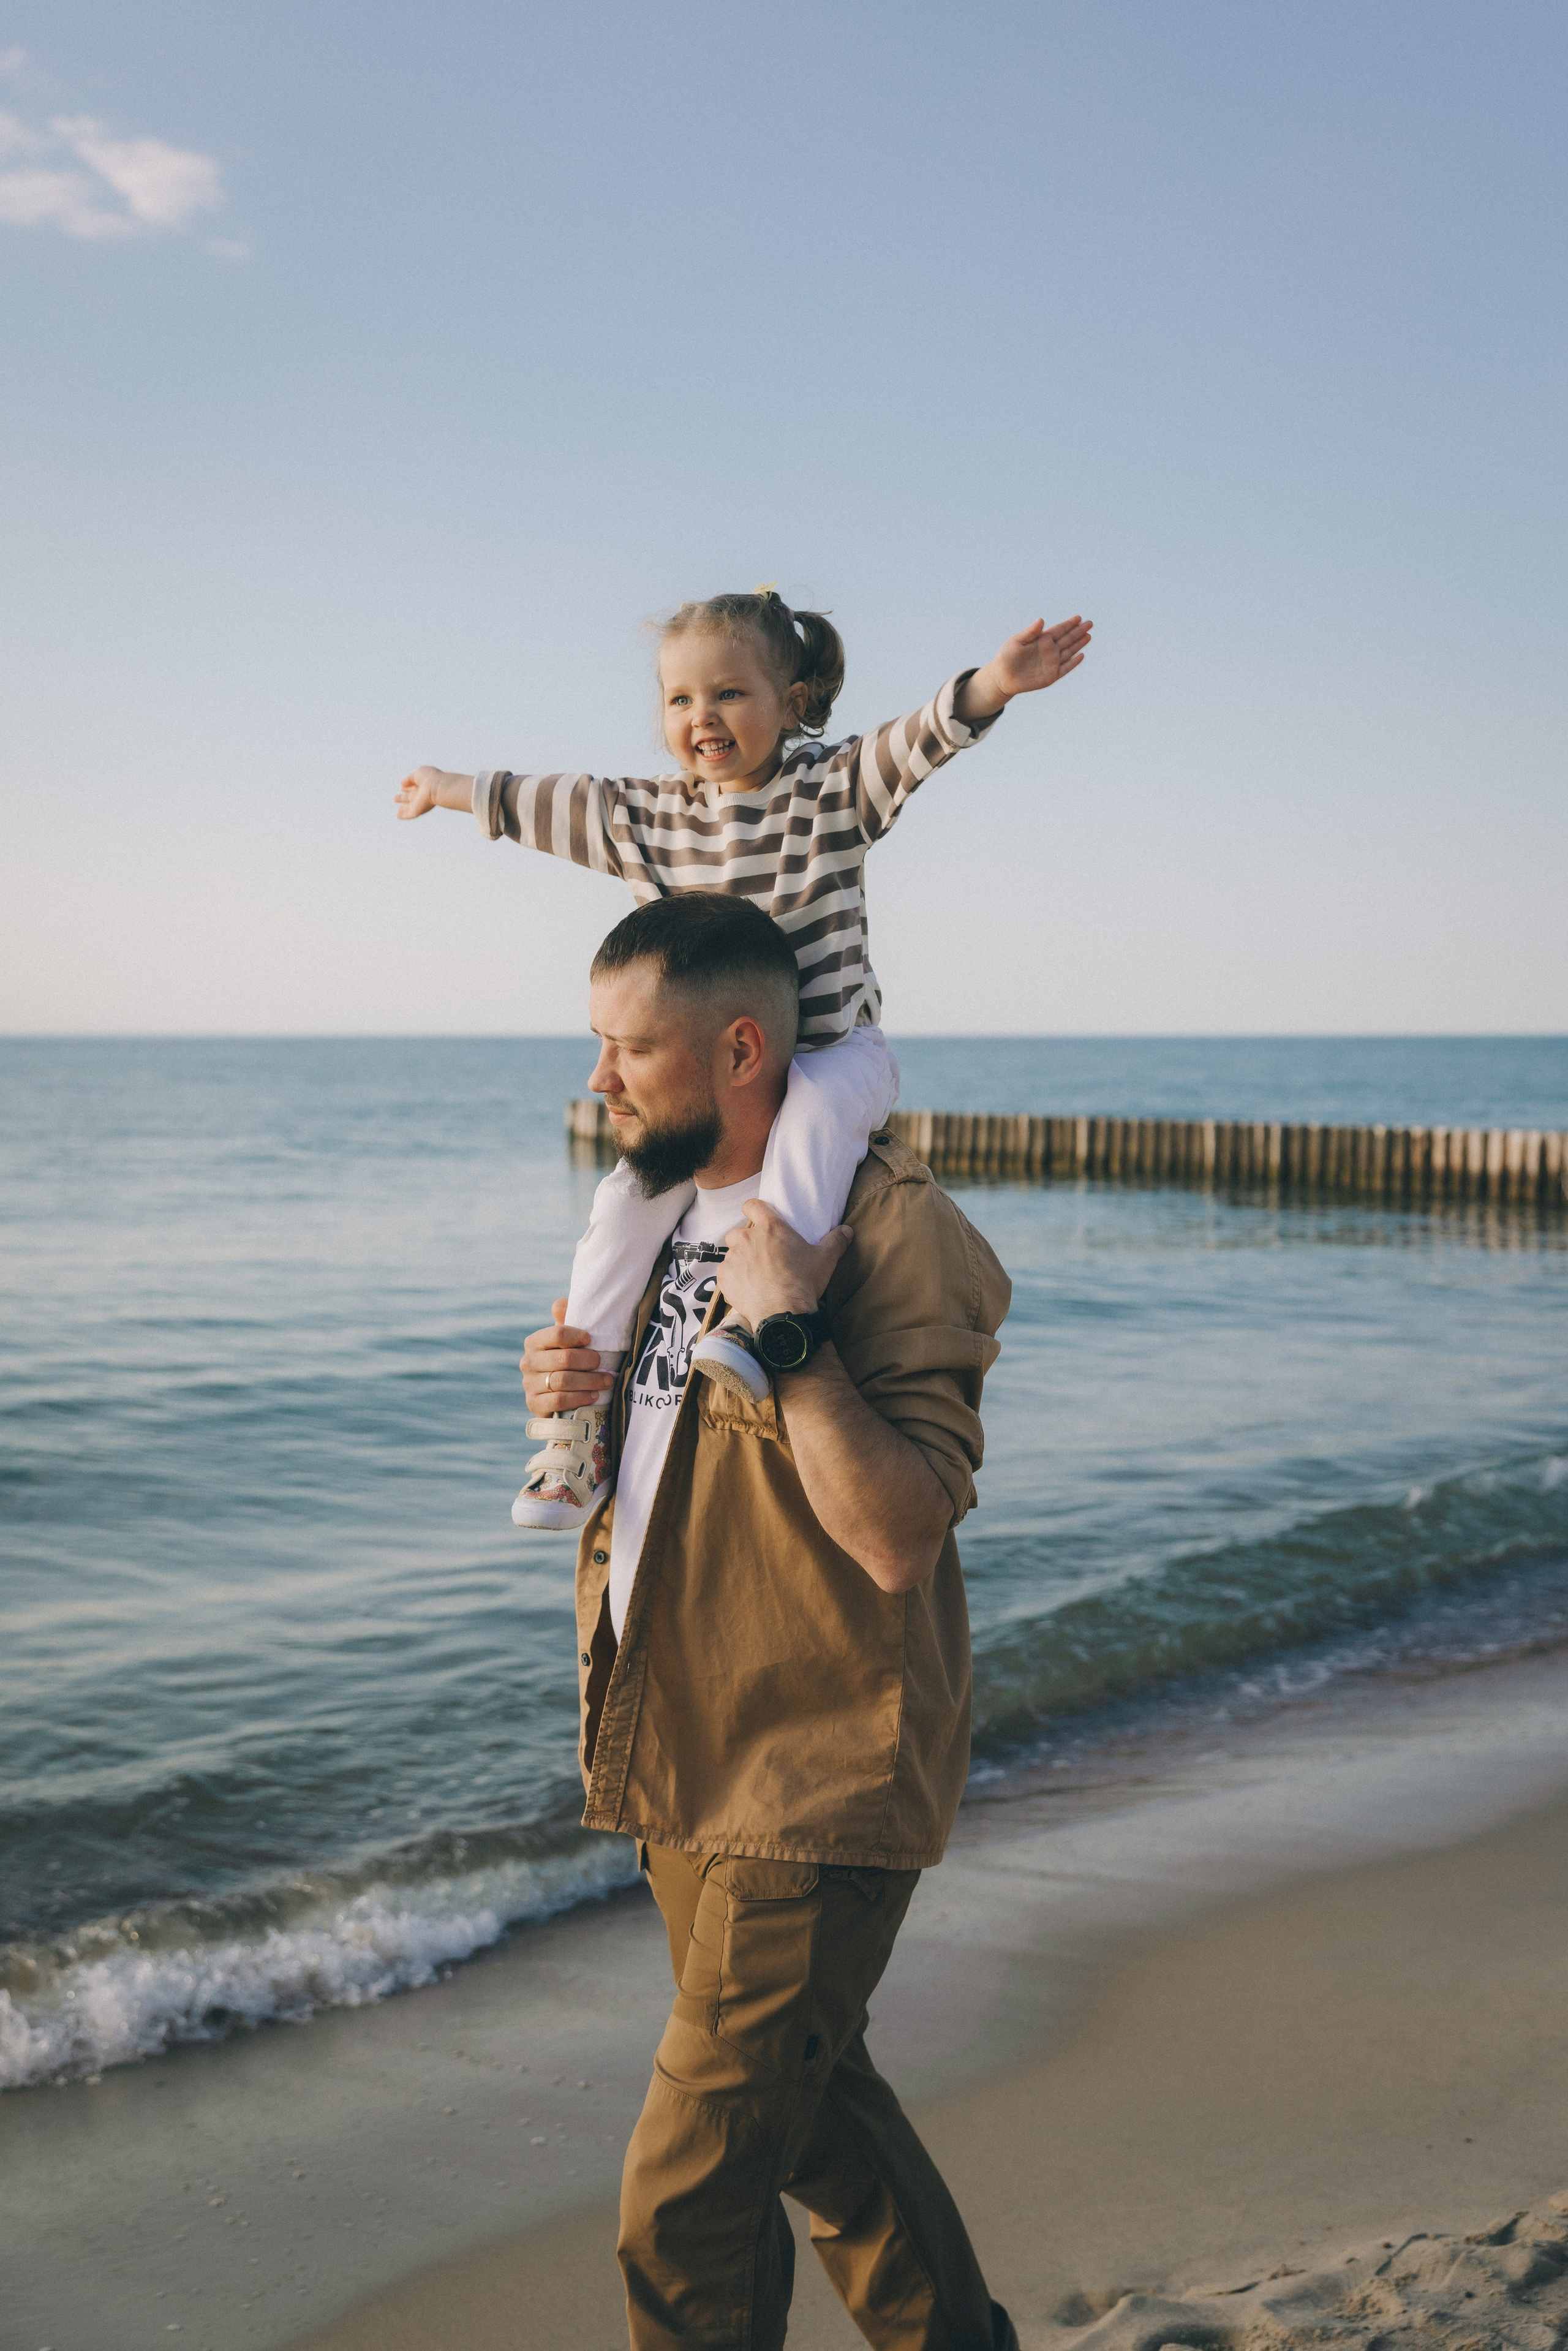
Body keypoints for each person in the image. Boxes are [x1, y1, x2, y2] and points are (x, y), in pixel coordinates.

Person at [521, 890, 1017, 2351]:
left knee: (680, 2202)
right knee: (811, 2128)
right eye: (595, 1046)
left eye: (631, 1050)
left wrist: (791, 1333)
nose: (599, 1079)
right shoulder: (658, 1217)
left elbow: (895, 1531)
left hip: (811, 1767)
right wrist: (570, 1395)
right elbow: (673, 1482)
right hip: (678, 1739)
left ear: (743, 1047)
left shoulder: (888, 1228)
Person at [395, 587, 1090, 1530]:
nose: (701, 717)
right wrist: (449, 789)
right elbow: (552, 804)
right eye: (679, 700)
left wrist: (993, 685)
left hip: (837, 1049)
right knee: (616, 1204)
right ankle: (574, 1439)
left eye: (728, 693)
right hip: (716, 1095)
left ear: (793, 701)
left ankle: (759, 1321)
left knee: (808, 1116)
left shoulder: (827, 794)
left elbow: (910, 744)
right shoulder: (648, 818)